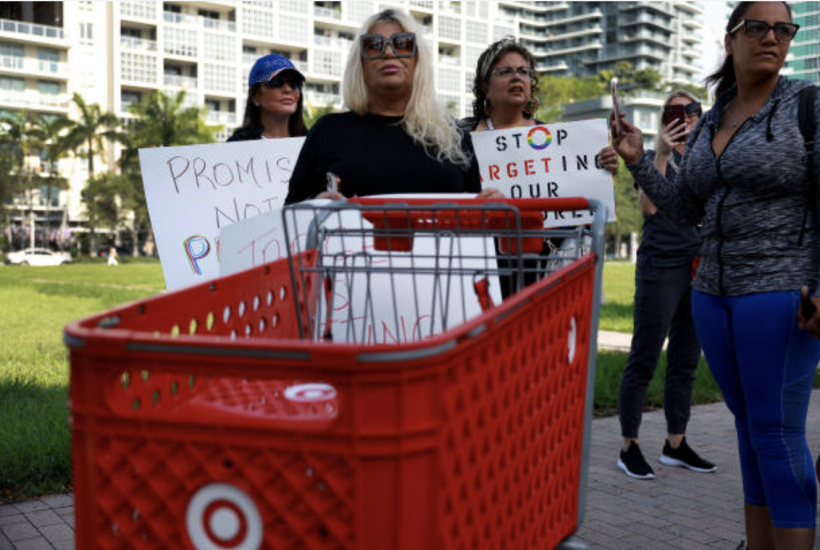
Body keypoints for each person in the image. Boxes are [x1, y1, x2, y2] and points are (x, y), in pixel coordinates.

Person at [611, 2, 820, 548]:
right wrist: (637, 159)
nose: (772, 37)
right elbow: (684, 205)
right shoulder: (712, 118)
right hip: (713, 296)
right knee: (749, 432)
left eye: (783, 29)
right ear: (731, 40)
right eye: (757, 27)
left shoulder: (807, 104)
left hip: (780, 293)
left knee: (777, 434)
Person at [285, 9, 499, 203]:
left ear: (418, 60)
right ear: (360, 64)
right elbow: (290, 217)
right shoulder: (328, 131)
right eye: (373, 45)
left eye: (403, 43)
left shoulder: (453, 134)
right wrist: (314, 206)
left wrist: (492, 208)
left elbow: (477, 216)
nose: (388, 53)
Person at [460, 37, 618, 296]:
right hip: (485, 272)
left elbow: (582, 209)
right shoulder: (460, 140)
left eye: (523, 71)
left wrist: (603, 171)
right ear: (484, 86)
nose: (517, 77)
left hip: (546, 272)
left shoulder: (561, 141)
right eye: (506, 71)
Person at [616, 91, 715, 480]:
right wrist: (659, 152)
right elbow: (649, 206)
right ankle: (629, 446)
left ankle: (675, 443)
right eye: (678, 112)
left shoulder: (704, 155)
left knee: (686, 359)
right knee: (644, 354)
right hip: (661, 265)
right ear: (665, 119)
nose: (687, 118)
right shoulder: (656, 155)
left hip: (697, 265)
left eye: (693, 111)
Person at [227, 53, 308, 141]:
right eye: (276, 82)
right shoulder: (236, 146)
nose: (288, 89)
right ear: (255, 96)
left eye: (294, 83)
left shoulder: (314, 143)